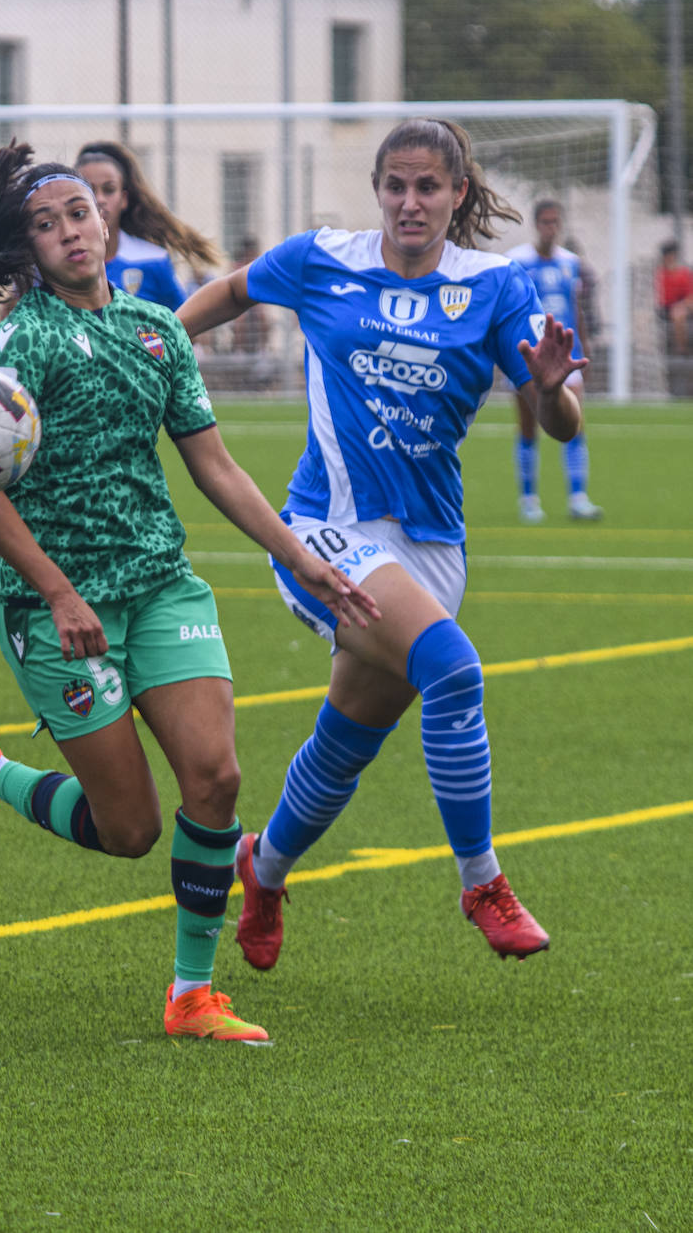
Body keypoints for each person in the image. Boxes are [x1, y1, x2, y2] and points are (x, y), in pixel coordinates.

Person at [0, 141, 377, 1042]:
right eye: (46, 224)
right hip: (58, 608)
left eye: (79, 214)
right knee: (129, 827)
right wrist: (60, 594)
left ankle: (190, 995)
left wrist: (303, 558)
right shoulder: (25, 340)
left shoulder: (158, 328)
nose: (69, 232)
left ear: (108, 220)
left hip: (161, 587)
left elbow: (212, 465)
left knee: (216, 779)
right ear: (28, 248)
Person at [177, 117, 587, 977]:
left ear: (457, 194)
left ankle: (265, 867)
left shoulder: (495, 287)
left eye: (428, 187)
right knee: (454, 669)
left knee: (348, 739)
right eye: (395, 186)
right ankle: (483, 883)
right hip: (322, 529)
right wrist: (158, 353)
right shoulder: (324, 258)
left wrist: (551, 392)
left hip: (431, 547)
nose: (409, 202)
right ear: (377, 190)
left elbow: (562, 422)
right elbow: (234, 292)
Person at [507, 200, 603, 522]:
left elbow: (576, 310)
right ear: (536, 224)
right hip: (530, 358)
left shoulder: (570, 263)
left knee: (575, 426)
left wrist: (584, 350)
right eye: (545, 222)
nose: (550, 227)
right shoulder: (516, 262)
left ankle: (578, 498)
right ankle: (528, 499)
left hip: (566, 357)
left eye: (555, 222)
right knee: (528, 428)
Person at [75, 139, 218, 308]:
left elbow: (184, 324)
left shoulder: (153, 260)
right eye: (89, 190)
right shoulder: (56, 264)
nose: (99, 199)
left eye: (109, 189)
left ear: (124, 199)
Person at [655, 239, 692, 357]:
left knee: (679, 311)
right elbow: (662, 298)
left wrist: (684, 304)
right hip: (666, 307)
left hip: (683, 305)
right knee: (678, 313)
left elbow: (690, 295)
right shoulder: (660, 274)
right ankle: (682, 350)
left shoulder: (684, 273)